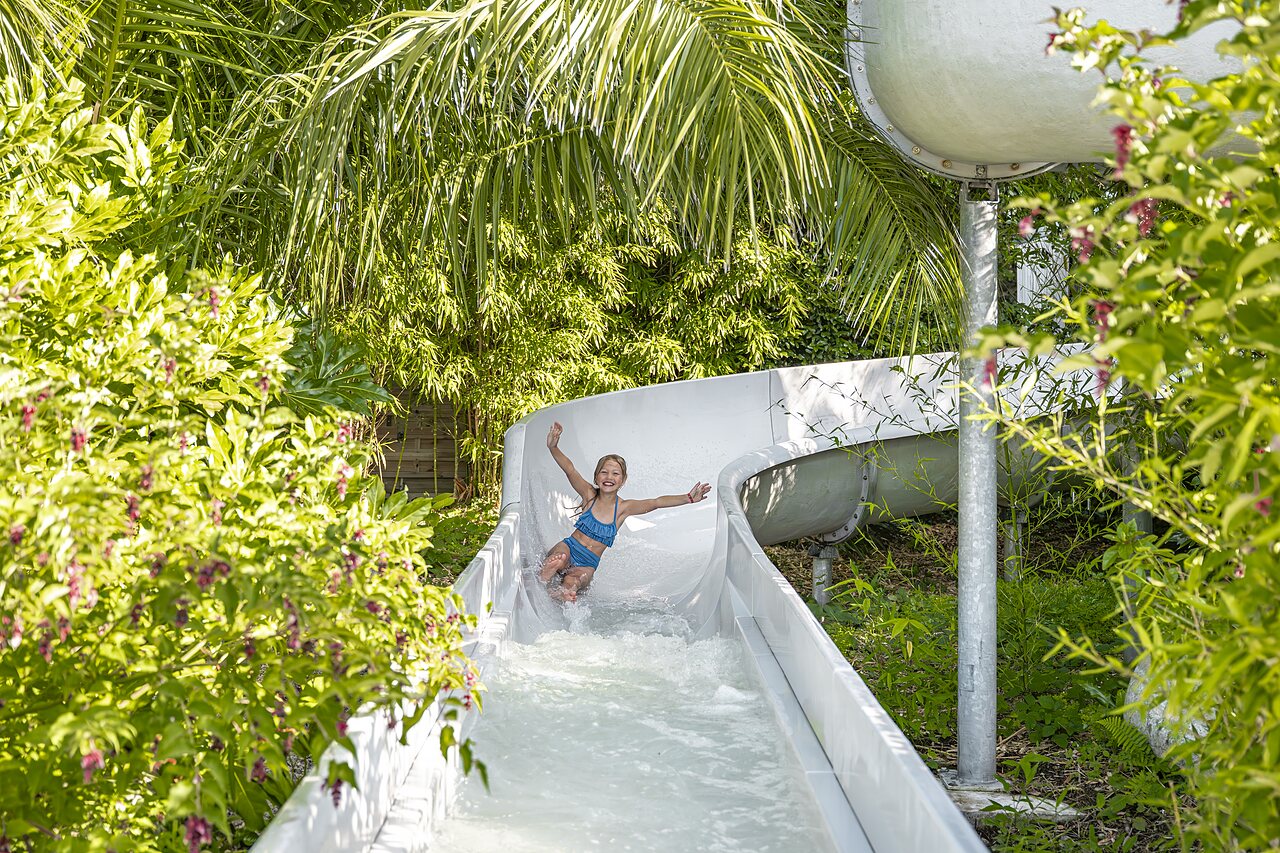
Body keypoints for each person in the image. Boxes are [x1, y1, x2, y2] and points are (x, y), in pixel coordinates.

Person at [539, 421, 711, 601]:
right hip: (570, 546)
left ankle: (565, 591)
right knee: (560, 556)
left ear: (623, 480)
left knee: (575, 581)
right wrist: (553, 447)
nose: (609, 477)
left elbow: (656, 502)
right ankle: (542, 578)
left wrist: (688, 498)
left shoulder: (623, 508)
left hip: (588, 564)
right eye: (604, 472)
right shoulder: (589, 495)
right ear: (596, 477)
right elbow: (570, 469)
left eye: (615, 474)